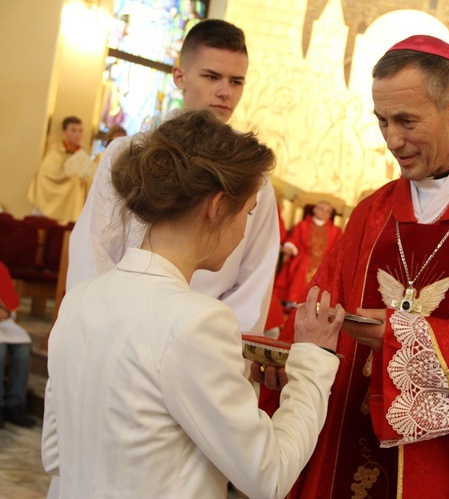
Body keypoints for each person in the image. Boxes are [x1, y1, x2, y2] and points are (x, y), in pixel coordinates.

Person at [258, 34, 449, 498]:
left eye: (406, 121)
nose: (392, 140)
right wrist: (280, 354)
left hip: (444, 468)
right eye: (382, 121)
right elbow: (317, 306)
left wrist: (407, 338)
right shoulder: (372, 213)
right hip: (347, 442)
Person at [42, 109, 345, 497]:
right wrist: (313, 360)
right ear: (217, 207)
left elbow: (55, 454)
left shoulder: (80, 300)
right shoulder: (198, 322)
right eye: (247, 212)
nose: (244, 230)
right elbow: (269, 476)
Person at [67, 19, 280, 335]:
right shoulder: (128, 152)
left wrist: (221, 347)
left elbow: (254, 280)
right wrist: (97, 327)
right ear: (180, 76)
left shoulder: (254, 177)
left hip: (203, 337)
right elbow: (95, 246)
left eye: (236, 81)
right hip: (118, 326)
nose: (225, 91)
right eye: (212, 77)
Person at [273, 200, 343, 307]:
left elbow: (339, 248)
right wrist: (290, 247)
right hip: (304, 257)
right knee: (302, 266)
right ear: (314, 210)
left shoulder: (336, 231)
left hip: (324, 260)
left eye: (328, 211)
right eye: (321, 209)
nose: (324, 212)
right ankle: (294, 301)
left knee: (327, 271)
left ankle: (318, 304)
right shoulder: (303, 225)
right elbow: (294, 238)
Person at [26, 116, 91, 224]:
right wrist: (67, 172)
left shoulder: (83, 153)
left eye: (80, 131)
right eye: (73, 130)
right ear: (64, 132)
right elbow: (44, 174)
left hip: (72, 201)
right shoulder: (55, 150)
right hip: (54, 199)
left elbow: (87, 178)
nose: (78, 134)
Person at [0, 261, 36, 428]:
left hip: (3, 325)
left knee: (22, 347)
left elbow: (10, 302)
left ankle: (15, 405)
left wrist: (6, 313)